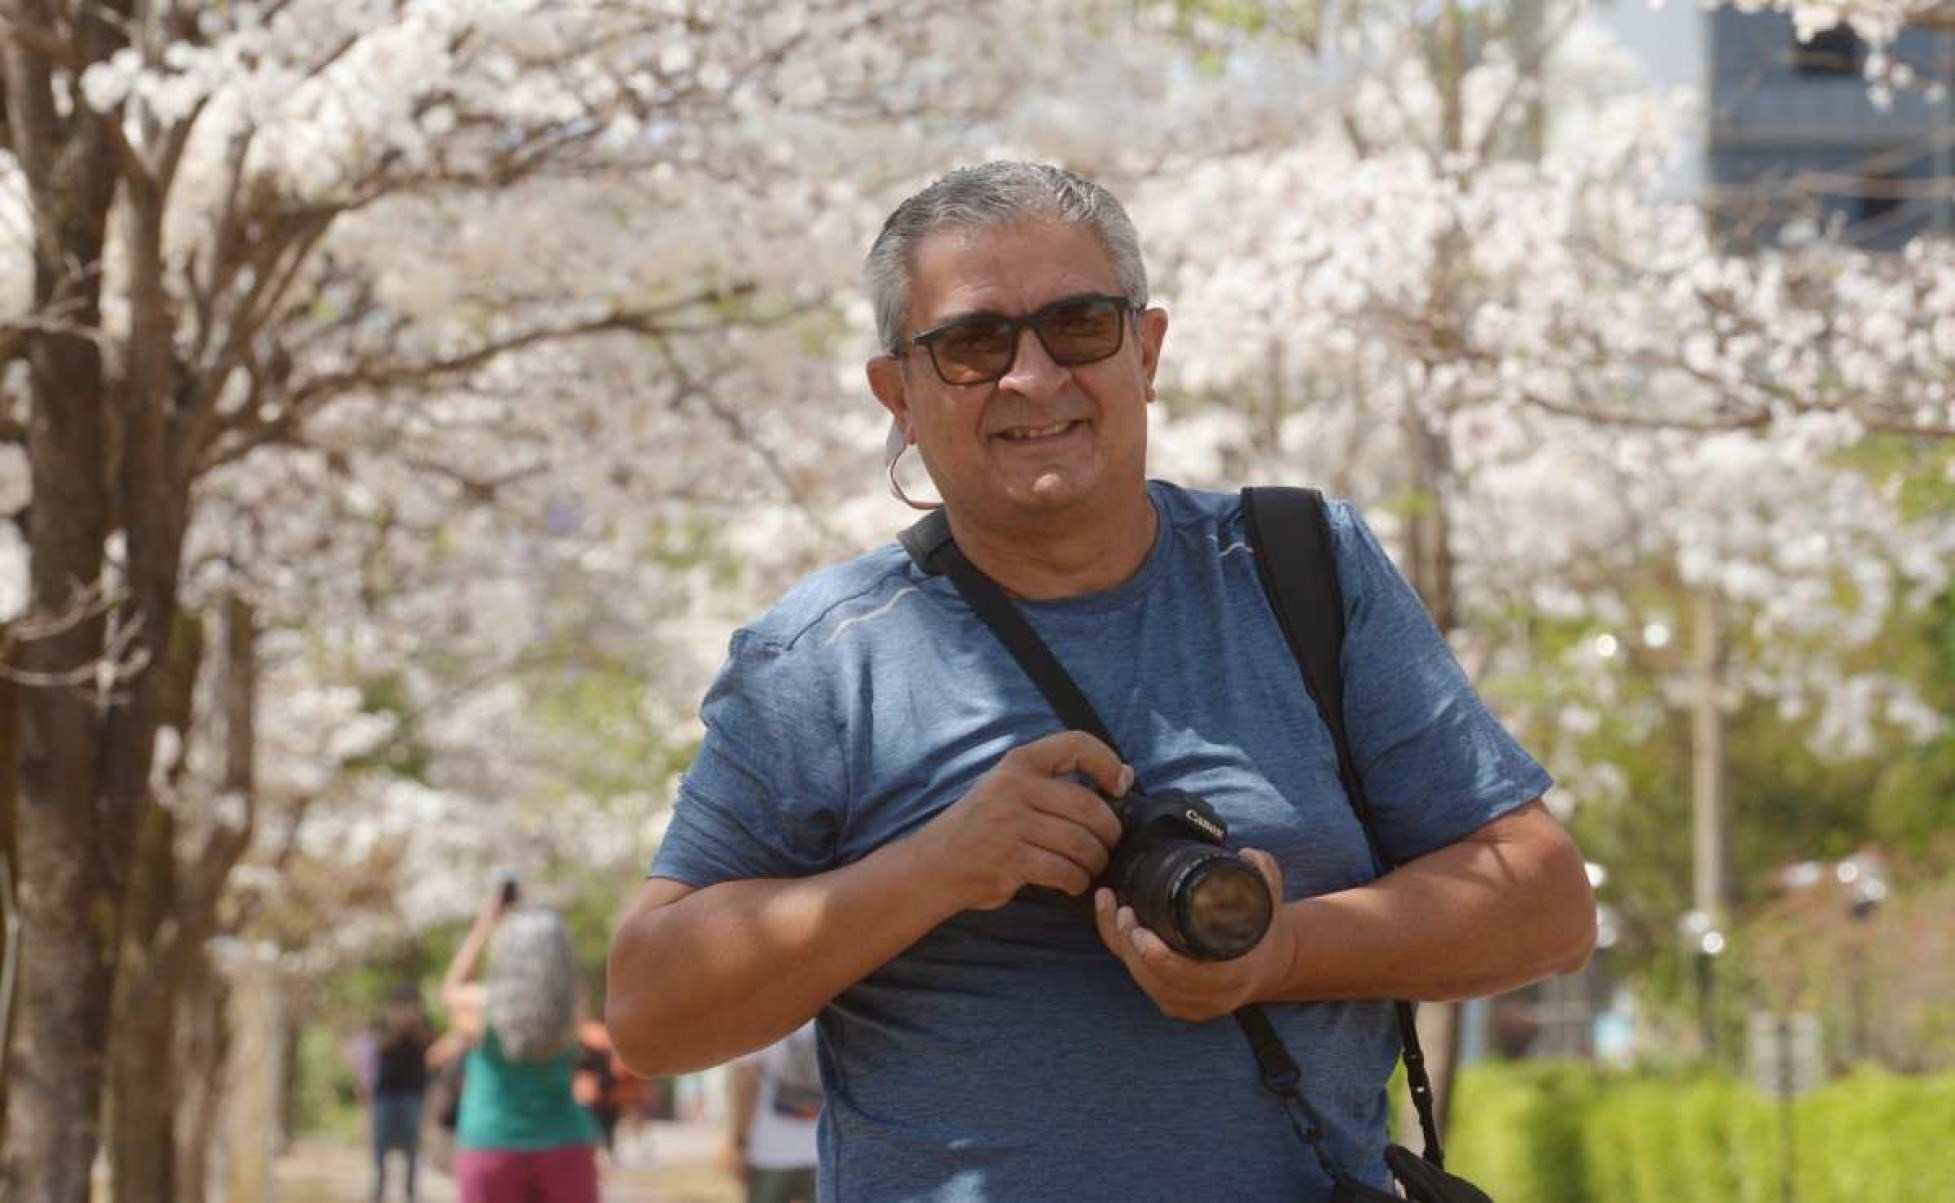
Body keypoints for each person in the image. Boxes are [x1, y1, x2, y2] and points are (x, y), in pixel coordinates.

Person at [606, 161, 1597, 1201]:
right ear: (897, 394)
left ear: (1146, 349)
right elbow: (650, 1012)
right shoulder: (822, 661)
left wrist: (1277, 950)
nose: (1033, 378)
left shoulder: (1300, 570)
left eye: (1077, 324)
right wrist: (937, 868)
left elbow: (1541, 904)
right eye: (972, 345)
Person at [439, 886, 603, 1203]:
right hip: (566, 1144)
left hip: (492, 1143)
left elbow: (452, 989)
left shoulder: (483, 1010)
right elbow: (567, 984)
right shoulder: (569, 1010)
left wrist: (485, 923)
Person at [718, 1022, 821, 1203]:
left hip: (770, 1150)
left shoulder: (761, 1011)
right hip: (823, 1148)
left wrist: (738, 1142)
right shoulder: (830, 1006)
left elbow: (745, 1081)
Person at [368, 986, 432, 1202]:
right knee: (380, 1145)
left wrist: (414, 1027)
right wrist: (397, 1029)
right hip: (386, 1091)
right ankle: (378, 1189)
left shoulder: (424, 1022)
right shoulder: (382, 1022)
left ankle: (411, 1192)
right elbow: (378, 1047)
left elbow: (430, 1048)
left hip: (413, 1092)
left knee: (413, 1146)